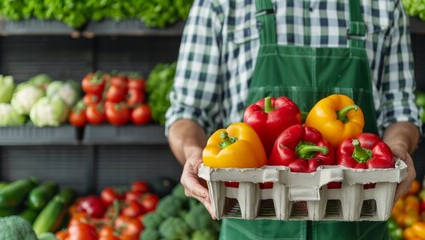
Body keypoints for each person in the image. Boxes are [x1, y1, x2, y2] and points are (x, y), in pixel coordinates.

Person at [165, 0, 422, 239]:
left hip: (356, 222)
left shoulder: (383, 4)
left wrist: (398, 149)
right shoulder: (220, 4)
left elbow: (400, 111)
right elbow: (187, 112)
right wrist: (193, 153)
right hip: (251, 226)